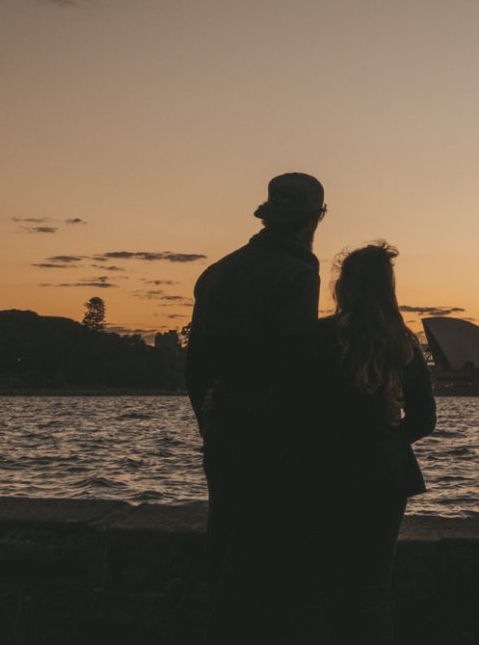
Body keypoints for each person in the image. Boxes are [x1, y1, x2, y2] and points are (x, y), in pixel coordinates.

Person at [186, 172, 326, 642]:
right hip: (274, 436)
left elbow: (195, 366)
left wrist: (209, 422)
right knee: (264, 555)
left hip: (223, 424)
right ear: (316, 218)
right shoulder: (298, 273)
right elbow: (298, 365)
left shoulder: (216, 273)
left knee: (224, 541)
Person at [284, 243, 436, 644]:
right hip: (385, 474)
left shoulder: (319, 337)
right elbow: (425, 420)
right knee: (371, 590)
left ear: (343, 286)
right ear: (388, 288)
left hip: (324, 471)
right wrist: (387, 439)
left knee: (319, 585)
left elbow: (294, 408)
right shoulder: (403, 343)